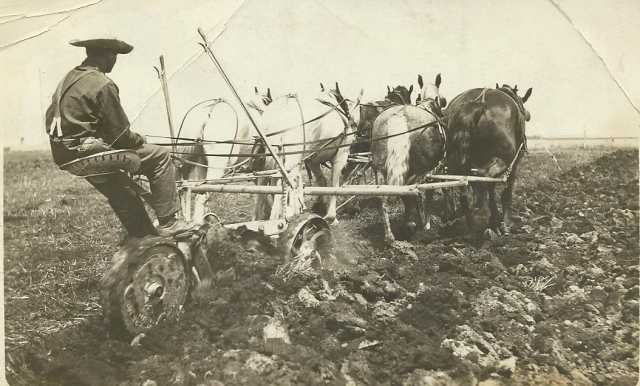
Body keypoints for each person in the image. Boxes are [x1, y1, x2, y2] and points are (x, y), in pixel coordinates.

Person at [46, 37, 191, 238]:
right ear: (107, 55)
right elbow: (121, 136)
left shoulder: (68, 79)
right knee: (160, 155)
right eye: (115, 55)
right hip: (89, 152)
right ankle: (169, 222)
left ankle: (142, 237)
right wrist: (139, 139)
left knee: (123, 192)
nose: (115, 60)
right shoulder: (103, 84)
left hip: (65, 155)